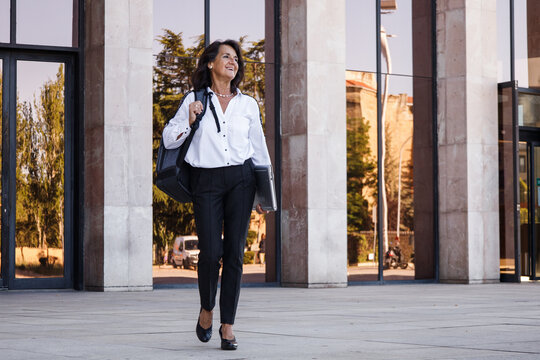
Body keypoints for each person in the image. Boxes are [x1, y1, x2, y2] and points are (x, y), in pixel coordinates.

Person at [162, 39, 271, 351]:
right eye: (226, 56)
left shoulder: (248, 104)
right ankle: (207, 307)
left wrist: (265, 193)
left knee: (235, 254)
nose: (232, 62)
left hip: (242, 179)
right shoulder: (194, 99)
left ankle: (228, 325)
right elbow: (170, 139)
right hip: (205, 180)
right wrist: (190, 119)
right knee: (210, 253)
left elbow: (259, 149)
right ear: (210, 63)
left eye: (236, 58)